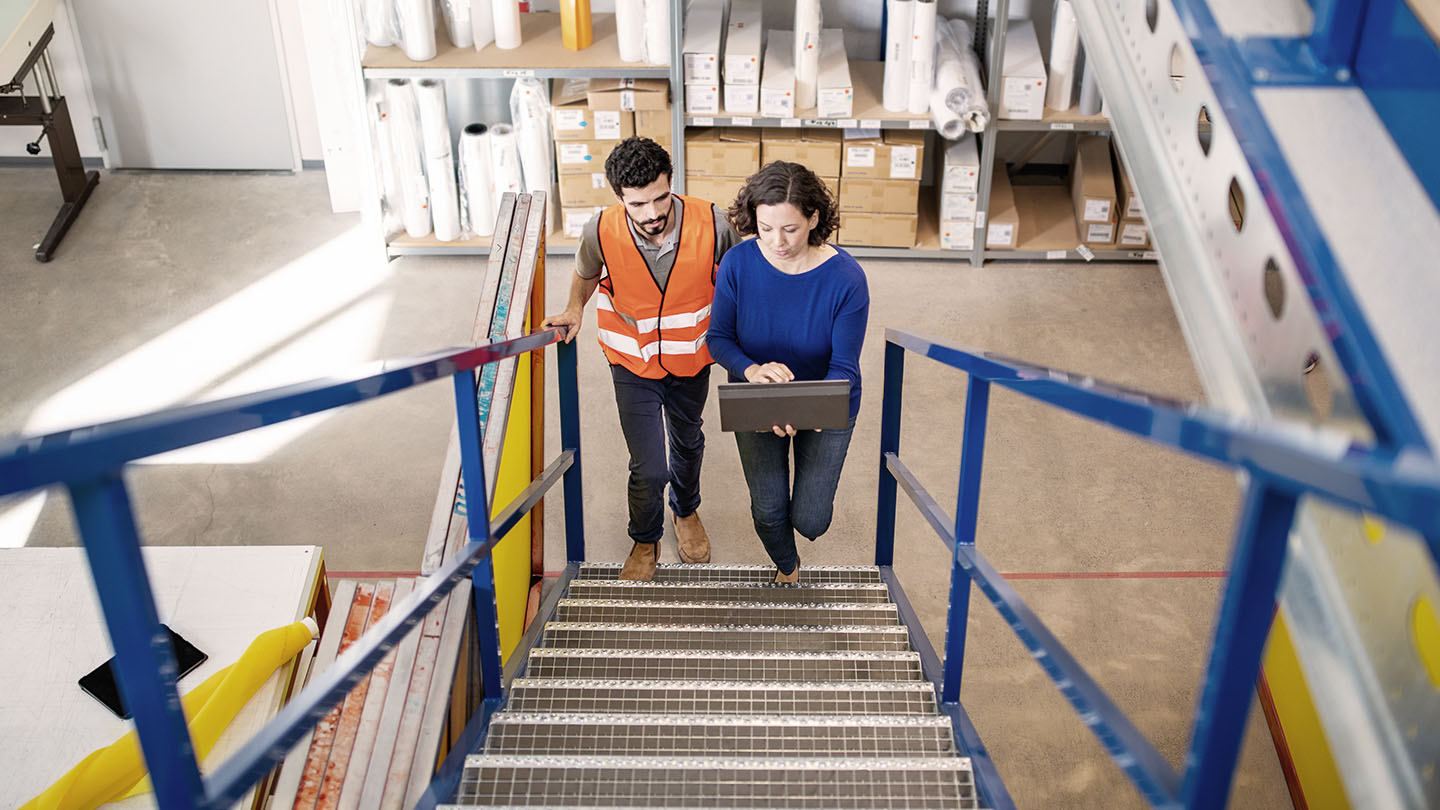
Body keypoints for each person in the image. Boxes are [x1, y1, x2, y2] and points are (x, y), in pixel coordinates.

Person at [541, 137, 742, 580]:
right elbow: (585, 272)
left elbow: (739, 283)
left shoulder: (714, 223)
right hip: (631, 362)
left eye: (660, 198)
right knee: (649, 466)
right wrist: (575, 307)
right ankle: (644, 538)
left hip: (691, 359)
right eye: (637, 204)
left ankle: (686, 511)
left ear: (671, 183)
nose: (652, 213)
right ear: (619, 198)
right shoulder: (601, 229)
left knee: (688, 443)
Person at [707, 161, 870, 583]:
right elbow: (718, 339)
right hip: (755, 397)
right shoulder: (738, 265)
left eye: (790, 229)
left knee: (812, 520)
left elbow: (843, 366)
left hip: (827, 403)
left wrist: (800, 411)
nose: (777, 242)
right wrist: (752, 370)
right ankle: (787, 566)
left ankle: (799, 539)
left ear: (813, 219)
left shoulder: (846, 279)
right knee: (768, 508)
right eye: (765, 228)